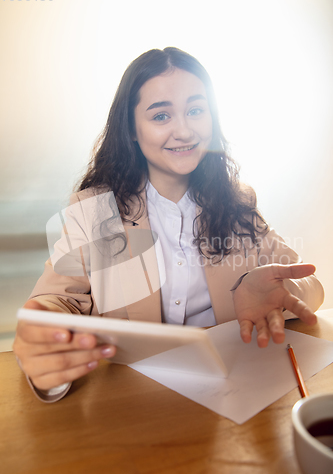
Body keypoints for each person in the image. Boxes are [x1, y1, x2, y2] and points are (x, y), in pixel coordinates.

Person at [13, 47, 324, 402]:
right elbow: (55, 302)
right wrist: (44, 337)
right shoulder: (93, 210)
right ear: (131, 129)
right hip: (133, 399)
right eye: (161, 116)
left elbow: (308, 285)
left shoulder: (238, 203)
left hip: (232, 391)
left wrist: (274, 294)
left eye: (195, 110)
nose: (184, 131)